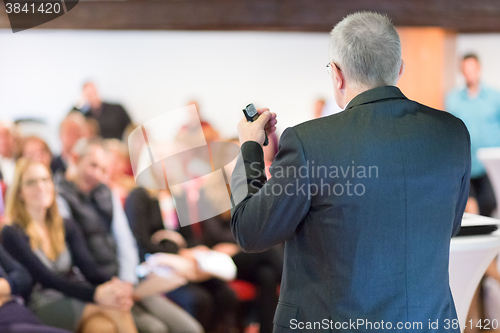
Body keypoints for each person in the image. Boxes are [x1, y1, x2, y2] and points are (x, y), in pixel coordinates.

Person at [230, 11, 470, 333]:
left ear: (338, 74)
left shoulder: (309, 142)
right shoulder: (452, 133)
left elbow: (251, 231)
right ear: (398, 69)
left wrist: (249, 148)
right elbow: (449, 225)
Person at [57, 138, 203, 333]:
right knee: (154, 328)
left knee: (190, 328)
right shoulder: (59, 198)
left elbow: (125, 240)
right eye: (92, 165)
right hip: (96, 287)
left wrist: (127, 280)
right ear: (75, 159)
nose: (97, 175)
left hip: (126, 281)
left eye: (103, 170)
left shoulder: (105, 193)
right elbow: (77, 256)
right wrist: (114, 286)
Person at [1, 158, 137, 333]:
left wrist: (116, 287)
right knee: (117, 309)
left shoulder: (65, 225)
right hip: (42, 303)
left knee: (103, 327)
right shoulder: (12, 232)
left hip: (73, 293)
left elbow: (89, 269)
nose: (40, 186)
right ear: (20, 192)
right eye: (31, 182)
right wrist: (96, 294)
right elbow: (47, 279)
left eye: (45, 180)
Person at [446, 53, 500, 217]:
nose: (469, 73)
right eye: (465, 70)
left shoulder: (494, 97)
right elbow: (450, 129)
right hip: (465, 163)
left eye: (472, 69)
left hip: (488, 166)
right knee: (467, 207)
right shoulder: (453, 99)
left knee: (490, 203)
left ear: (479, 69)